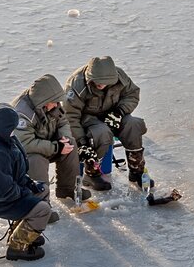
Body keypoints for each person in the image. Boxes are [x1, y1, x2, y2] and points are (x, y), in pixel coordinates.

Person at [0, 104, 53, 261]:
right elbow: (2, 193)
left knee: (43, 190)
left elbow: (13, 170)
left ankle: (24, 231)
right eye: (11, 128)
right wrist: (25, 192)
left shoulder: (1, 137)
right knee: (42, 210)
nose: (14, 132)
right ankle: (17, 246)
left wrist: (29, 183)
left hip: (9, 189)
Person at [63, 56, 147, 189]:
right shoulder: (76, 85)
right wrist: (82, 143)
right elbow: (70, 117)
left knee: (133, 124)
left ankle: (136, 170)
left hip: (113, 114)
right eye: (97, 82)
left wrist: (119, 112)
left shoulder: (119, 77)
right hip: (88, 120)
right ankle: (92, 174)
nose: (101, 85)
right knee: (102, 133)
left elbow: (132, 94)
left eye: (105, 82)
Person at [11, 74, 84, 218]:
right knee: (37, 160)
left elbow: (63, 122)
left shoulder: (52, 104)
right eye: (55, 102)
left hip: (47, 143)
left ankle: (67, 188)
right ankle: (40, 206)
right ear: (43, 101)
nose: (57, 105)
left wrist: (65, 139)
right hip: (25, 154)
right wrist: (56, 147)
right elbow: (25, 144)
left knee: (71, 145)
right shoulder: (22, 113)